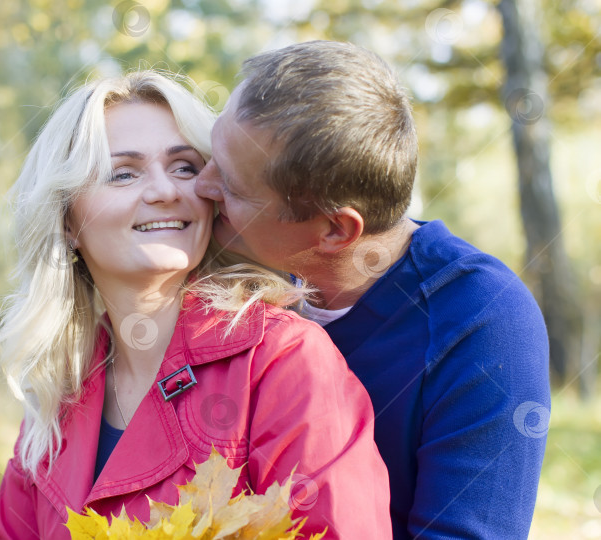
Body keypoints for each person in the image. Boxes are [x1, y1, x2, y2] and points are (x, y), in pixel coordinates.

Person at [0, 70, 390, 539]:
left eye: (184, 166)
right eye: (123, 173)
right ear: (66, 221)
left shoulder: (282, 358)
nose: (167, 191)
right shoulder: (60, 391)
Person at [195, 41, 551, 539]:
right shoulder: (232, 279)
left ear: (337, 232)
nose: (200, 186)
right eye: (211, 157)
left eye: (232, 187)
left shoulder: (482, 322)